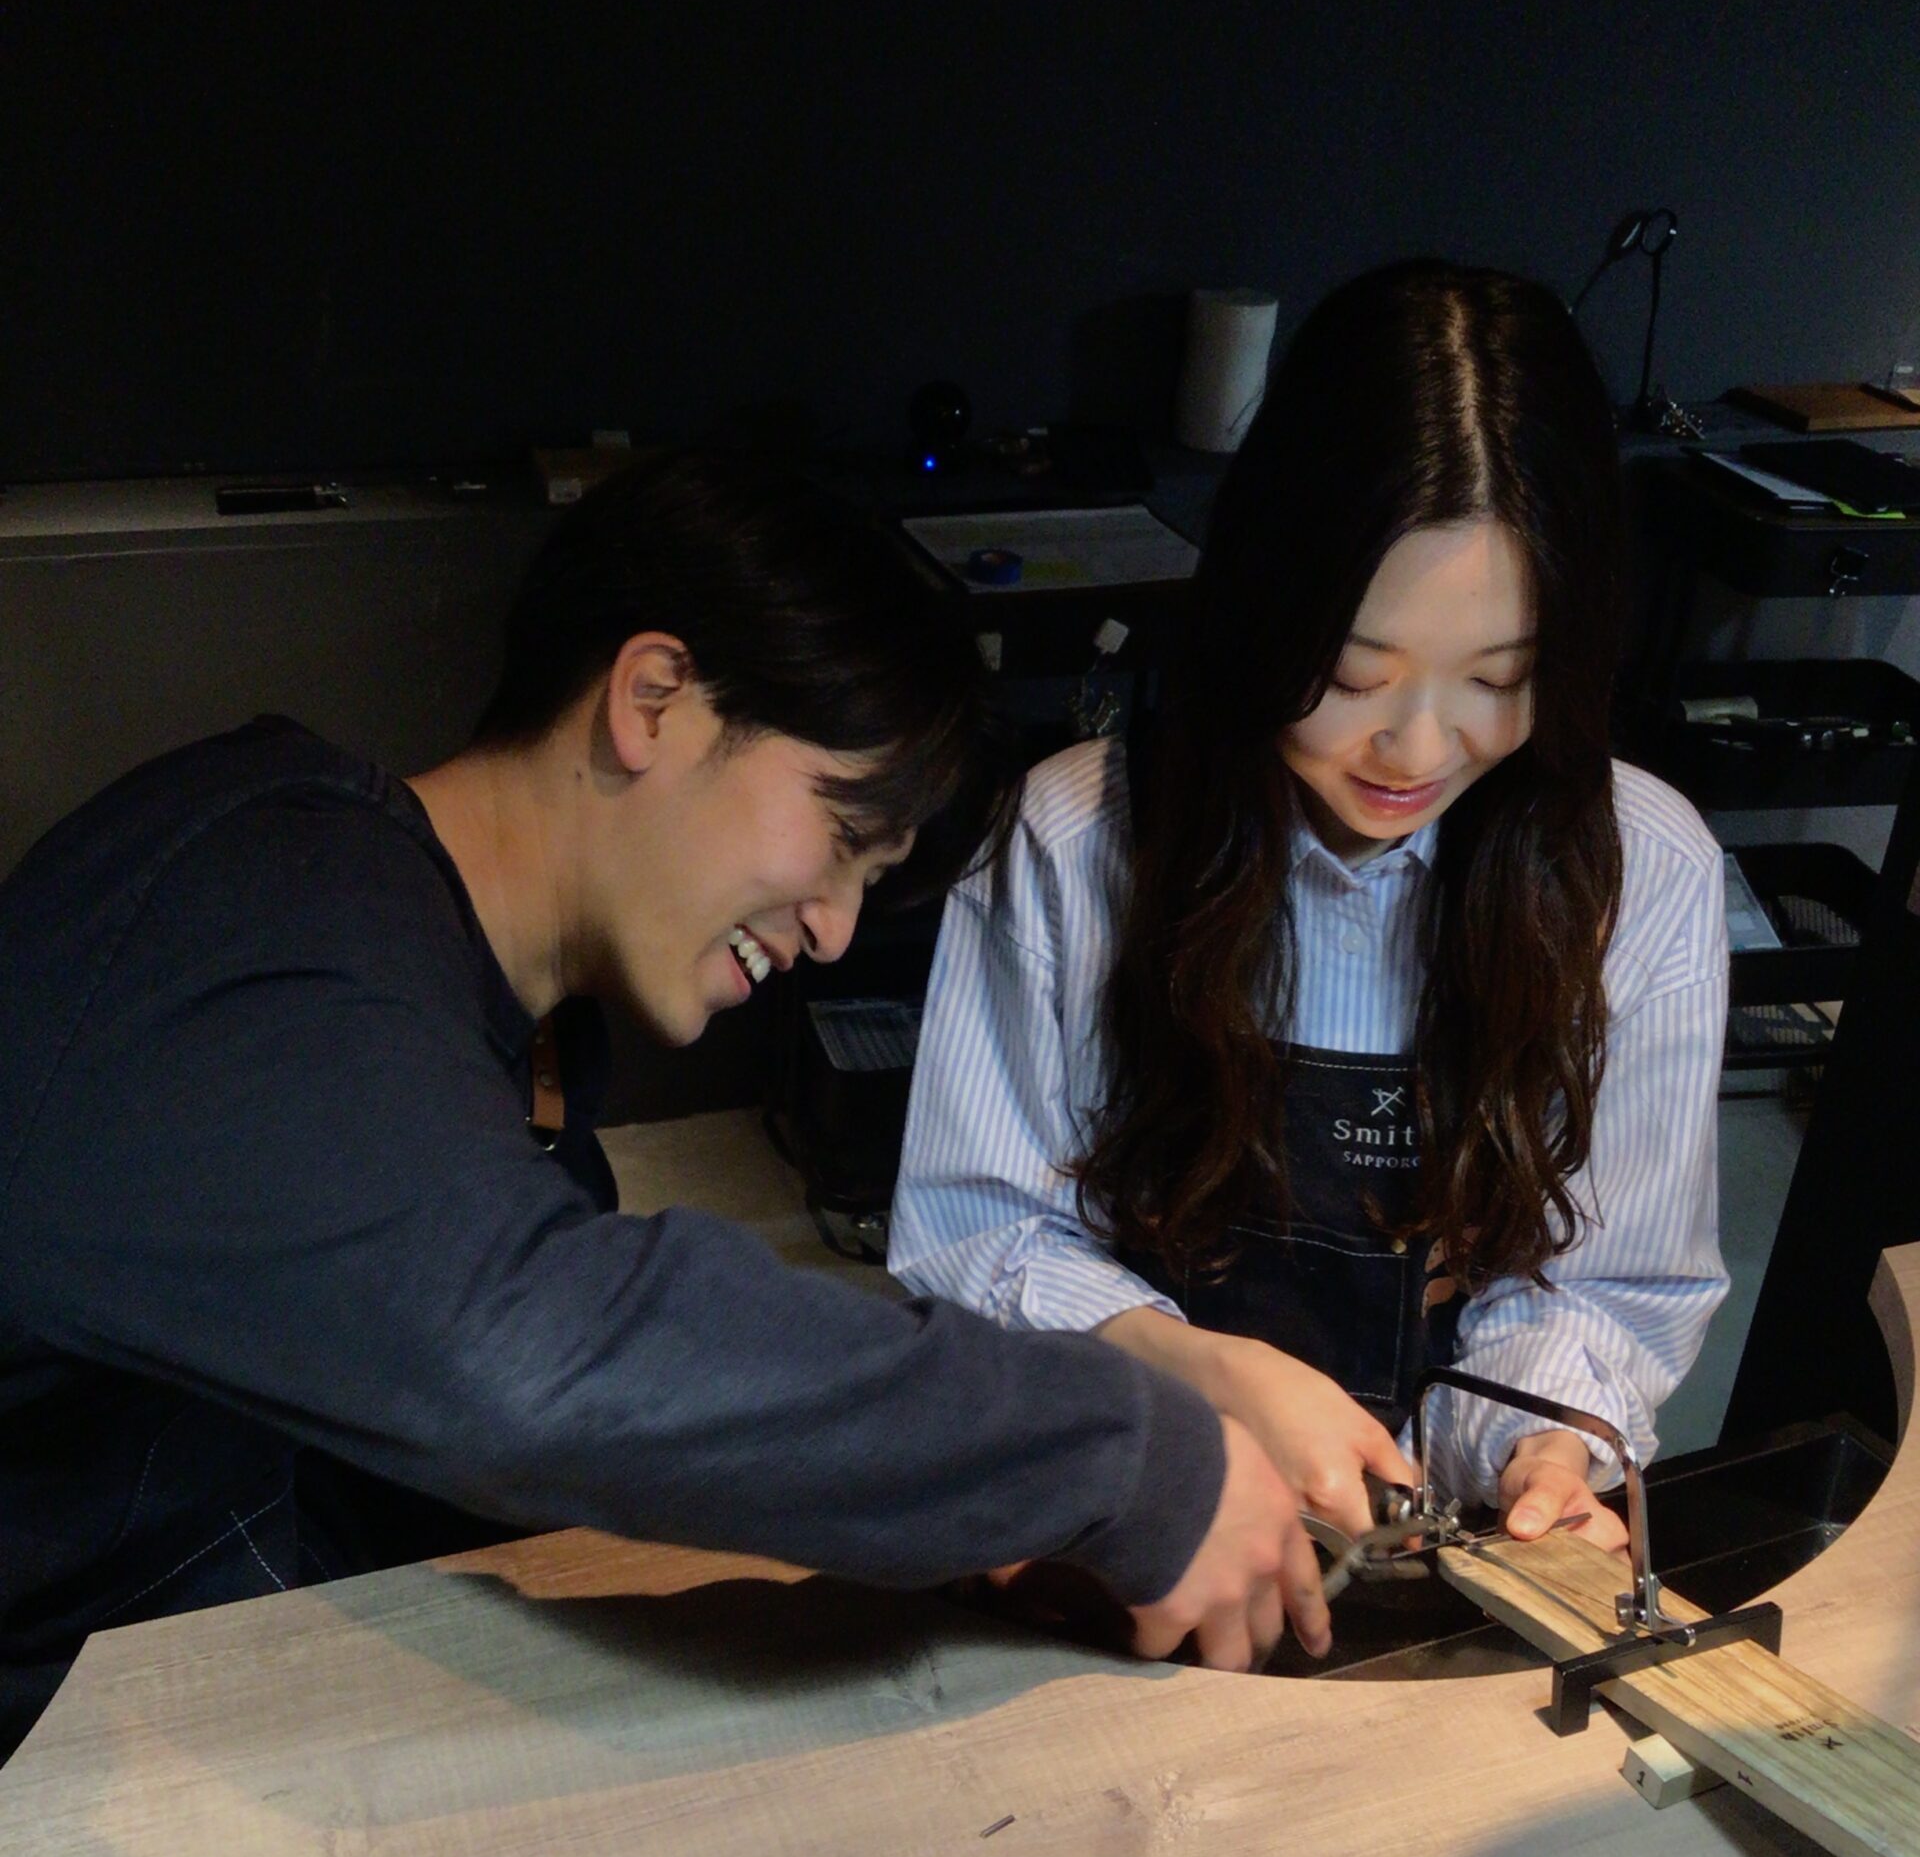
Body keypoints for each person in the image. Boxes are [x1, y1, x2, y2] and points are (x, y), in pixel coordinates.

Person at [0, 454, 1334, 1762]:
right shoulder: (260, 900)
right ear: (655, 698)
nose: (833, 928)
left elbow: (452, 1464)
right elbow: (527, 1357)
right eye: (842, 836)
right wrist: (1124, 1457)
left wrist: (949, 1525)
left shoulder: (499, 1062)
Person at [890, 261, 1729, 1552]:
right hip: (1128, 1506)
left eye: (1498, 679)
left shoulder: (1644, 871)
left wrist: (1542, 1445)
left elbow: (1609, 1289)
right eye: (1351, 674)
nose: (1417, 749)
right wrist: (1200, 1371)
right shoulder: (1079, 837)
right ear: (1264, 609)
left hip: (1436, 1547)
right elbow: (972, 1233)